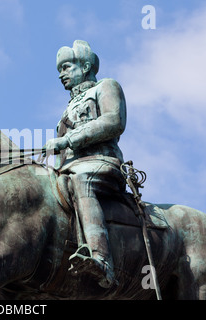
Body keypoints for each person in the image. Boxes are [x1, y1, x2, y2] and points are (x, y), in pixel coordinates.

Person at [43, 40, 127, 288]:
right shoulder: (66, 110)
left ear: (86, 65)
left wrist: (69, 138)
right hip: (68, 170)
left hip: (102, 163)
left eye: (66, 67)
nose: (61, 75)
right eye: (60, 70)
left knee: (82, 181)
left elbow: (114, 121)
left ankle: (101, 260)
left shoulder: (106, 87)